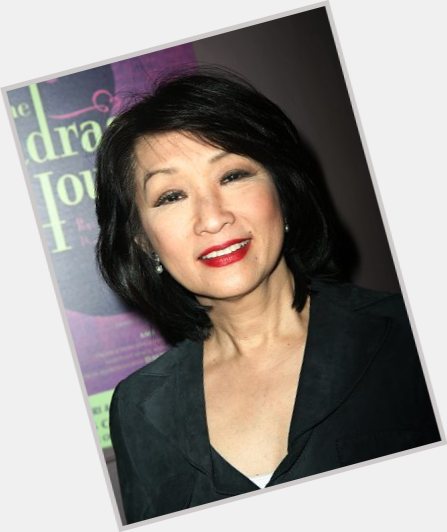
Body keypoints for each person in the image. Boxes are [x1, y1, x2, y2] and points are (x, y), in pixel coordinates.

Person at [95, 68, 440, 524]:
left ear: (282, 190)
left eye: (232, 175)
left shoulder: (412, 337)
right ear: (142, 239)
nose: (212, 218)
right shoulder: (136, 407)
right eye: (172, 196)